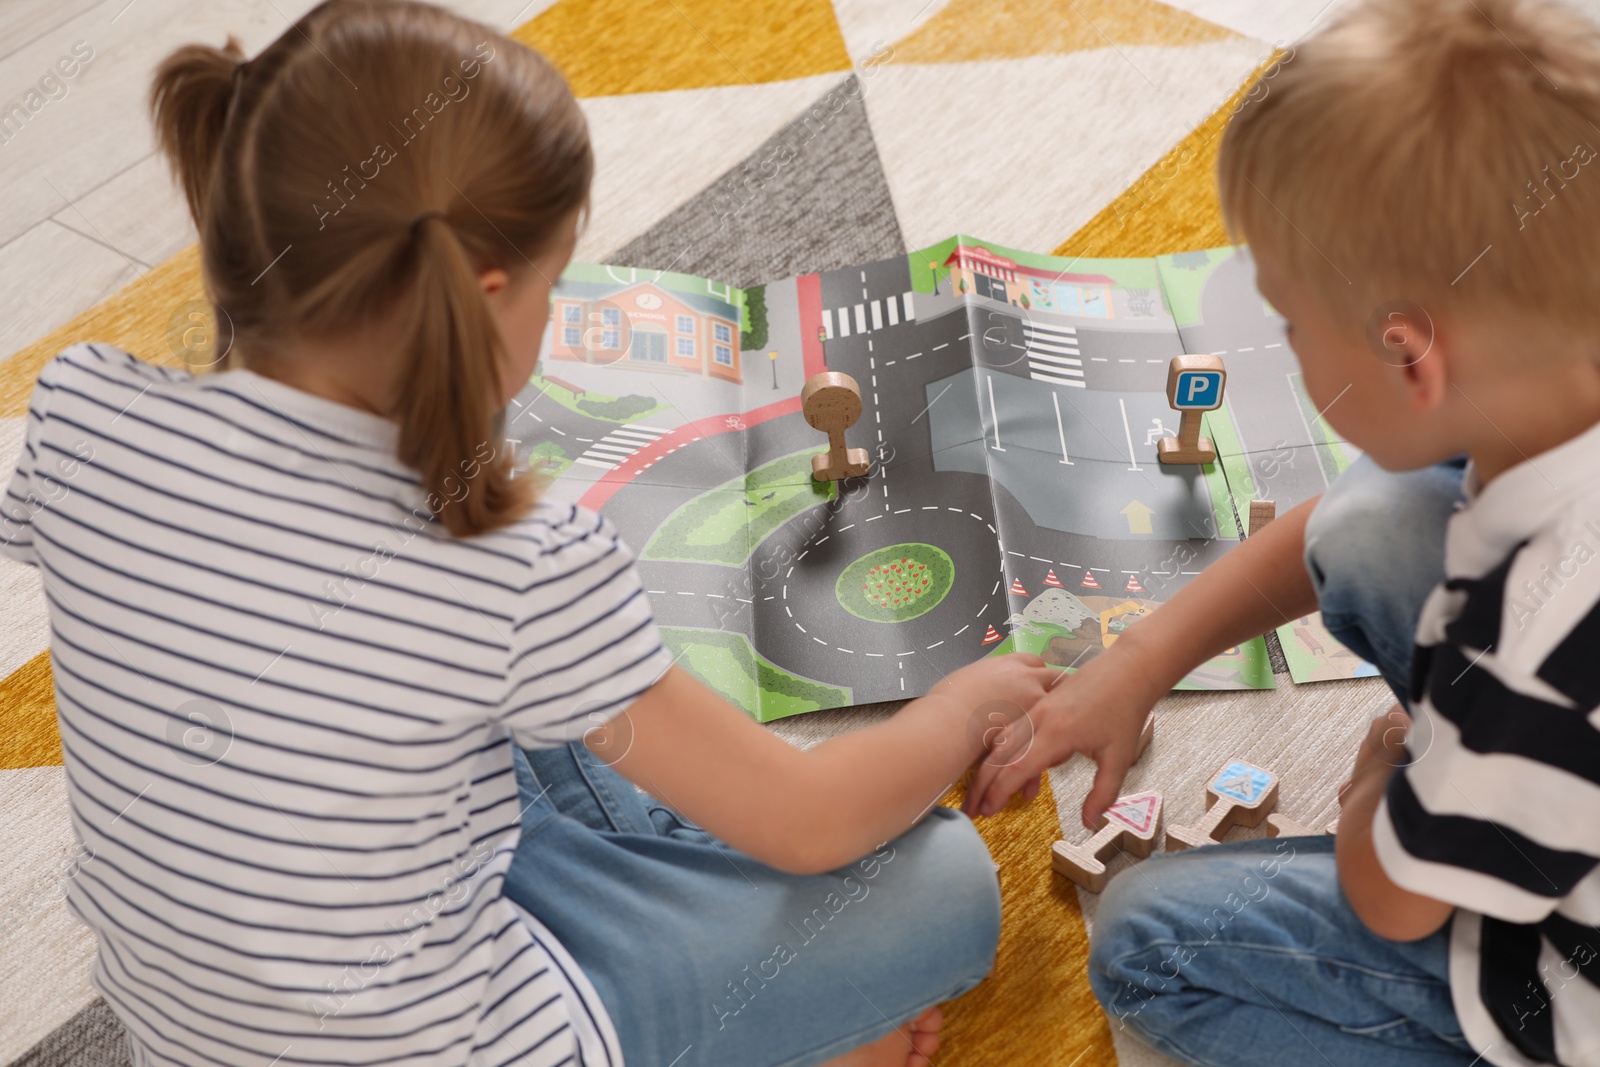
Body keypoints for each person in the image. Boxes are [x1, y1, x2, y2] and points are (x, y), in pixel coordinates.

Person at [0, 3, 1061, 1065]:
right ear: (483, 297)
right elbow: (810, 822)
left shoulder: (81, 405)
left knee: (478, 715)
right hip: (491, 1040)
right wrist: (962, 705)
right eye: (553, 291)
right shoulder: (512, 559)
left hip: (191, 1037)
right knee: (941, 882)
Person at [963, 0, 1600, 1064]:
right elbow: (1346, 526)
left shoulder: (1528, 649)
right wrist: (1137, 660)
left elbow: (1390, 901)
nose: (1282, 346)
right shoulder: (1551, 380)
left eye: (1288, 322)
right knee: (1375, 518)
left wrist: (1379, 789)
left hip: (1561, 981)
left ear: (1409, 355)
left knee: (1145, 938)